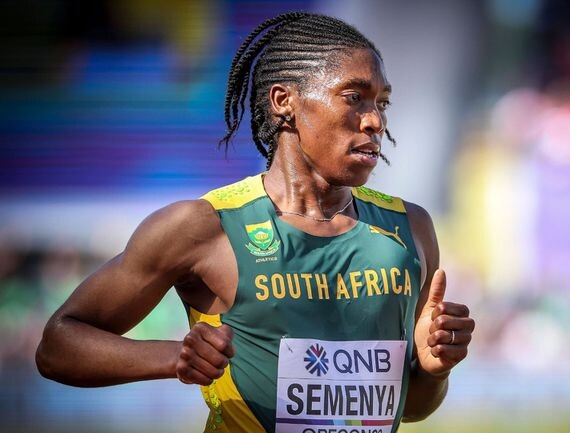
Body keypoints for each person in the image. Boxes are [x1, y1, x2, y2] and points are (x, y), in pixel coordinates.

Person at [36, 12, 475, 433]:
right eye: (353, 97)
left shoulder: (409, 229)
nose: (375, 120)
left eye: (382, 102)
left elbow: (413, 407)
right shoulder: (205, 227)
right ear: (284, 102)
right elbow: (57, 346)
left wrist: (434, 369)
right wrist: (174, 357)